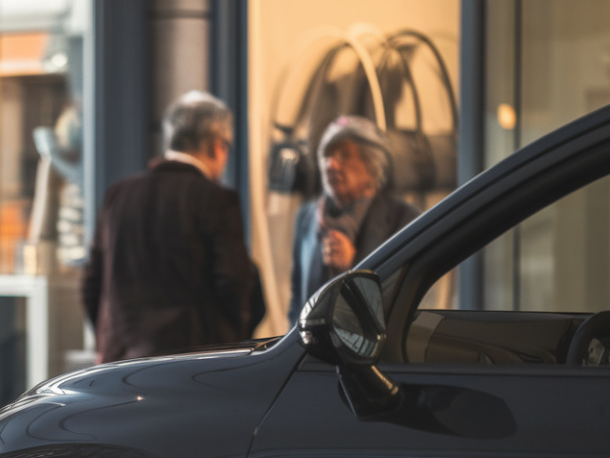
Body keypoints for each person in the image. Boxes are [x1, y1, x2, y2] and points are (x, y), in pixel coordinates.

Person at [81, 90, 259, 364]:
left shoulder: (118, 195)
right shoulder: (217, 199)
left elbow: (92, 284)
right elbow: (234, 285)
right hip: (192, 367)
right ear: (216, 146)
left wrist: (111, 344)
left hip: (121, 367)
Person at [288, 115, 420, 323]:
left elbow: (402, 307)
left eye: (344, 155)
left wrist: (353, 268)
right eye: (326, 155)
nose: (331, 164)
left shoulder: (405, 220)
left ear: (372, 167)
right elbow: (297, 300)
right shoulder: (306, 216)